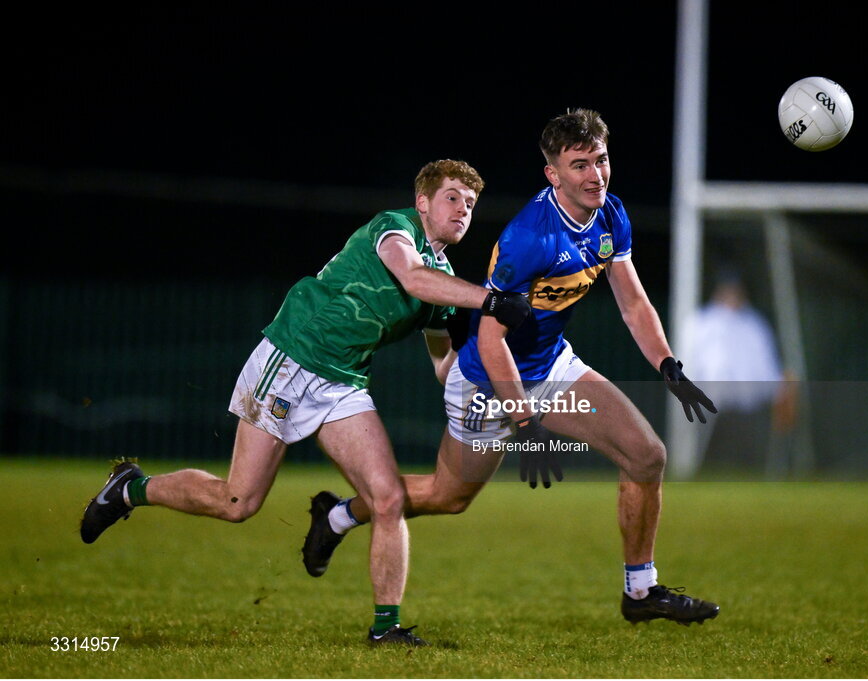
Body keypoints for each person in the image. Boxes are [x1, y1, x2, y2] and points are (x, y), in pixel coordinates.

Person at [79, 159, 532, 647]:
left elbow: (444, 365)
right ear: (422, 201)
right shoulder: (394, 228)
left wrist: (485, 386)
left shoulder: (445, 282)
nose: (462, 209)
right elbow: (412, 278)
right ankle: (130, 488)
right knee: (238, 502)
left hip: (342, 384)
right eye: (452, 197)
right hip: (293, 357)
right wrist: (489, 299)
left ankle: (386, 629)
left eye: (470, 203)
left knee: (388, 498)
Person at [302, 109, 721, 628]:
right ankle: (338, 516)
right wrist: (524, 421)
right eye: (579, 165)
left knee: (646, 456)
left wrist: (668, 364)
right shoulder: (530, 239)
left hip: (552, 367)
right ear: (553, 174)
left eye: (601, 160)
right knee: (447, 496)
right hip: (487, 380)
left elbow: (632, 301)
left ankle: (641, 590)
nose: (595, 175)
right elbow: (490, 337)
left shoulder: (611, 214)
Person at [682, 266, 798, 475]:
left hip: (750, 403)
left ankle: (768, 470)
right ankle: (698, 468)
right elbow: (691, 361)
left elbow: (767, 366)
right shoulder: (701, 322)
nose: (732, 295)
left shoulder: (755, 324)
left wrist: (780, 387)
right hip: (711, 399)